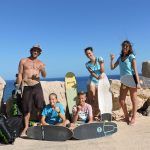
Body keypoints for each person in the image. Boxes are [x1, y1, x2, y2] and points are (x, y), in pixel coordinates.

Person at [17, 45, 46, 136]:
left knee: (40, 105)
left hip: (37, 85)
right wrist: (18, 87)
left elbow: (44, 75)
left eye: (37, 51)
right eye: (34, 50)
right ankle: (26, 127)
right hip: (26, 85)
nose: (36, 52)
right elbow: (20, 74)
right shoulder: (23, 61)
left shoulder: (41, 63)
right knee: (26, 108)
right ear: (31, 51)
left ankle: (41, 123)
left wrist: (42, 70)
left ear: (39, 53)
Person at [110, 40, 140, 125]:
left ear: (129, 47)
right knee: (121, 100)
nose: (125, 48)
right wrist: (111, 59)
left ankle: (133, 117)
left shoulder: (131, 56)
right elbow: (112, 68)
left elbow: (135, 70)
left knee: (133, 99)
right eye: (124, 46)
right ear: (122, 47)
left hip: (131, 79)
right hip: (123, 80)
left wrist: (138, 82)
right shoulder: (119, 58)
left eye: (127, 46)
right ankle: (126, 117)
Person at [84, 47, 105, 119]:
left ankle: (99, 113)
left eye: (89, 53)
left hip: (101, 80)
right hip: (93, 80)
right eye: (87, 54)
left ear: (92, 52)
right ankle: (92, 114)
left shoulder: (100, 59)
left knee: (99, 98)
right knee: (92, 98)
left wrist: (101, 63)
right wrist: (97, 77)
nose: (88, 55)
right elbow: (92, 73)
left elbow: (102, 71)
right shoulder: (87, 64)